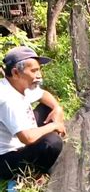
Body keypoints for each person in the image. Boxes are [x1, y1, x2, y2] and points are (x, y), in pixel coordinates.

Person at [0, 46, 66, 179]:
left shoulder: (19, 84)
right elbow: (27, 138)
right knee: (52, 143)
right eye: (34, 71)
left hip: (21, 138)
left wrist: (57, 108)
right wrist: (54, 126)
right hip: (7, 158)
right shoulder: (7, 99)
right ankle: (35, 174)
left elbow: (44, 95)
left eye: (39, 70)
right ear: (16, 73)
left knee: (48, 108)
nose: (39, 75)